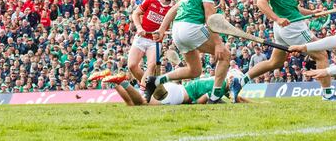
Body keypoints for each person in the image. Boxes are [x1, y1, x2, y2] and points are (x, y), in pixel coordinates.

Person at [230, 0, 336, 102]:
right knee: (321, 54)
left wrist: (313, 12)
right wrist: (277, 18)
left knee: (275, 62)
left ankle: (240, 81)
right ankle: (327, 94)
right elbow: (260, 2)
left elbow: (294, 8)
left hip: (286, 26)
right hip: (291, 27)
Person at [148, 0, 233, 103]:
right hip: (191, 28)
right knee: (225, 55)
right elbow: (210, 19)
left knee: (194, 71)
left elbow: (174, 8)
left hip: (177, 30)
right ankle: (215, 96)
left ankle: (157, 80)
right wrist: (218, 43)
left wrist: (162, 29)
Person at [93, 68, 247, 106]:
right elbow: (200, 101)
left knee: (131, 104)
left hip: (175, 88)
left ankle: (114, 82)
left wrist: (254, 103)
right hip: (178, 95)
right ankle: (123, 82)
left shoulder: (219, 83)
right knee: (141, 104)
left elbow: (237, 98)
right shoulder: (219, 90)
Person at [128, 0, 177, 84]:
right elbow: (135, 14)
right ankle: (149, 85)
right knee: (131, 65)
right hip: (141, 37)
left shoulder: (173, 9)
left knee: (151, 66)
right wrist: (139, 28)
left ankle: (144, 88)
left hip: (155, 42)